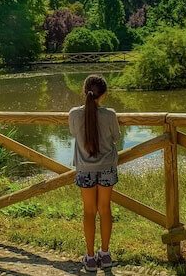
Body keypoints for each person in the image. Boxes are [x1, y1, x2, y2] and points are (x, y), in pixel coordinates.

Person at [68, 74, 121, 272]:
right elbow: (116, 137)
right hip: (107, 167)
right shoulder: (110, 114)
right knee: (105, 209)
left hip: (84, 169)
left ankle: (90, 258)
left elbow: (74, 133)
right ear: (104, 94)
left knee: (89, 211)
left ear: (84, 92)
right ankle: (105, 255)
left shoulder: (74, 114)